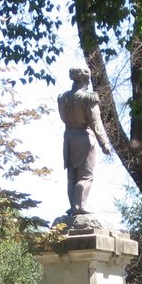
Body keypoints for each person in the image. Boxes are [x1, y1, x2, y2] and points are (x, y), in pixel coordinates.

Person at [57, 67, 111, 215]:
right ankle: (79, 206)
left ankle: (74, 206)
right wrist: (104, 142)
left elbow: (63, 118)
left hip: (68, 138)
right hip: (84, 139)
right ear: (87, 80)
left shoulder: (63, 98)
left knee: (72, 176)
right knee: (86, 176)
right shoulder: (88, 98)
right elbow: (96, 122)